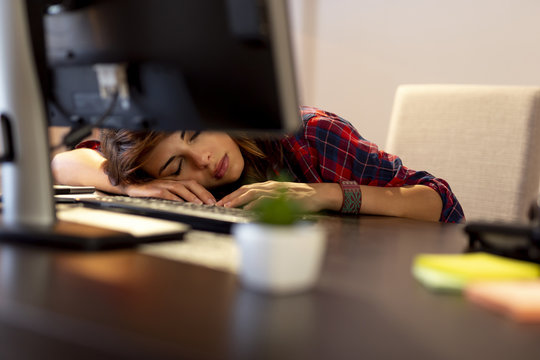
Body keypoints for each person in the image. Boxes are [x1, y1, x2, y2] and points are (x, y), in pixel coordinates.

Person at [51, 106, 465, 223]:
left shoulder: (310, 134)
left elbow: (441, 202)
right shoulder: (142, 165)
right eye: (178, 169)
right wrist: (129, 186)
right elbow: (63, 162)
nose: (204, 161)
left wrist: (324, 194)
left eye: (196, 135)